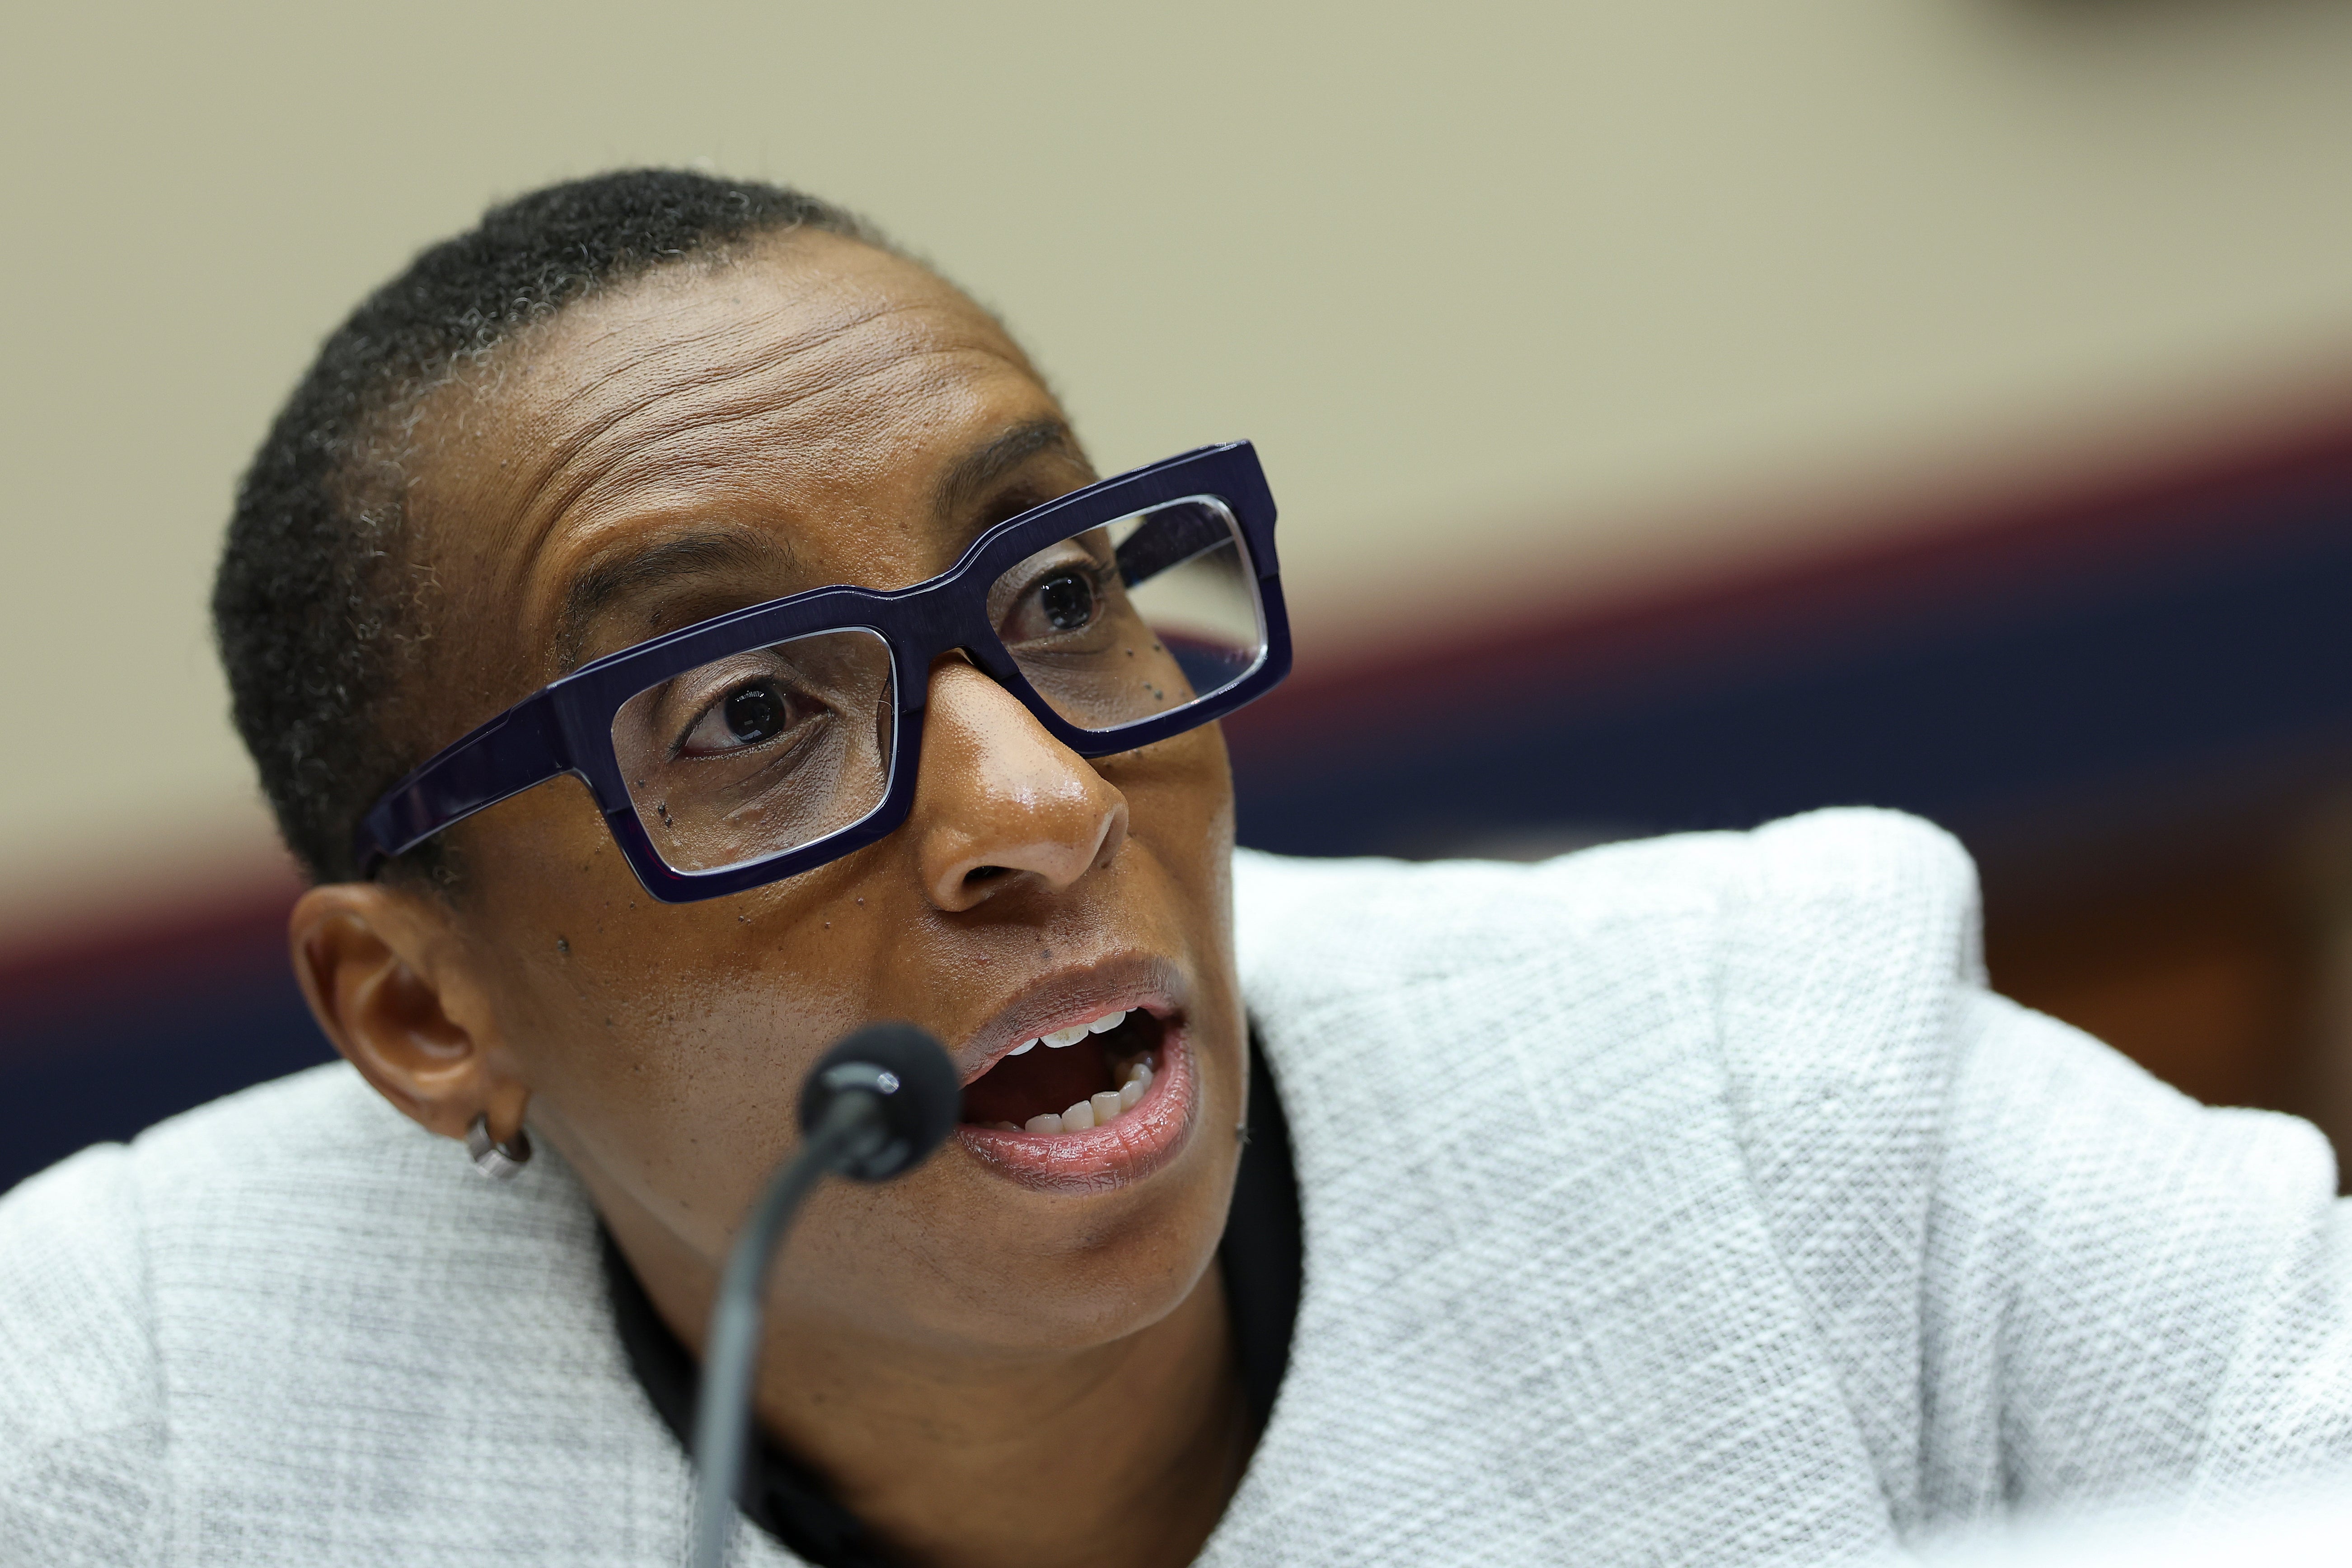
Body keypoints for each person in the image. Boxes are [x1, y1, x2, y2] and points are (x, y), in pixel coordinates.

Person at [4, 170, 2351, 1568]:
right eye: (742, 719)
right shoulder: (133, 1434)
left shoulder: (1771, 1090)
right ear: (428, 1016)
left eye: (1056, 601)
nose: (1036, 808)